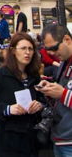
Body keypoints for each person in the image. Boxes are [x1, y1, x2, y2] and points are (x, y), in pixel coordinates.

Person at [0, 32, 44, 157]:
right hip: (6, 140)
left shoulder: (34, 75)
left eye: (30, 49)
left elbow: (42, 99)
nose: (27, 52)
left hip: (30, 140)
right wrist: (7, 109)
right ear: (13, 51)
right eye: (23, 48)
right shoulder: (0, 74)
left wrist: (39, 105)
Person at [37, 24, 72, 156]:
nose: (51, 53)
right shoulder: (63, 63)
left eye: (54, 48)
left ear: (67, 39)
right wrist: (50, 87)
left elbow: (64, 93)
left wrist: (62, 94)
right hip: (60, 138)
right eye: (47, 50)